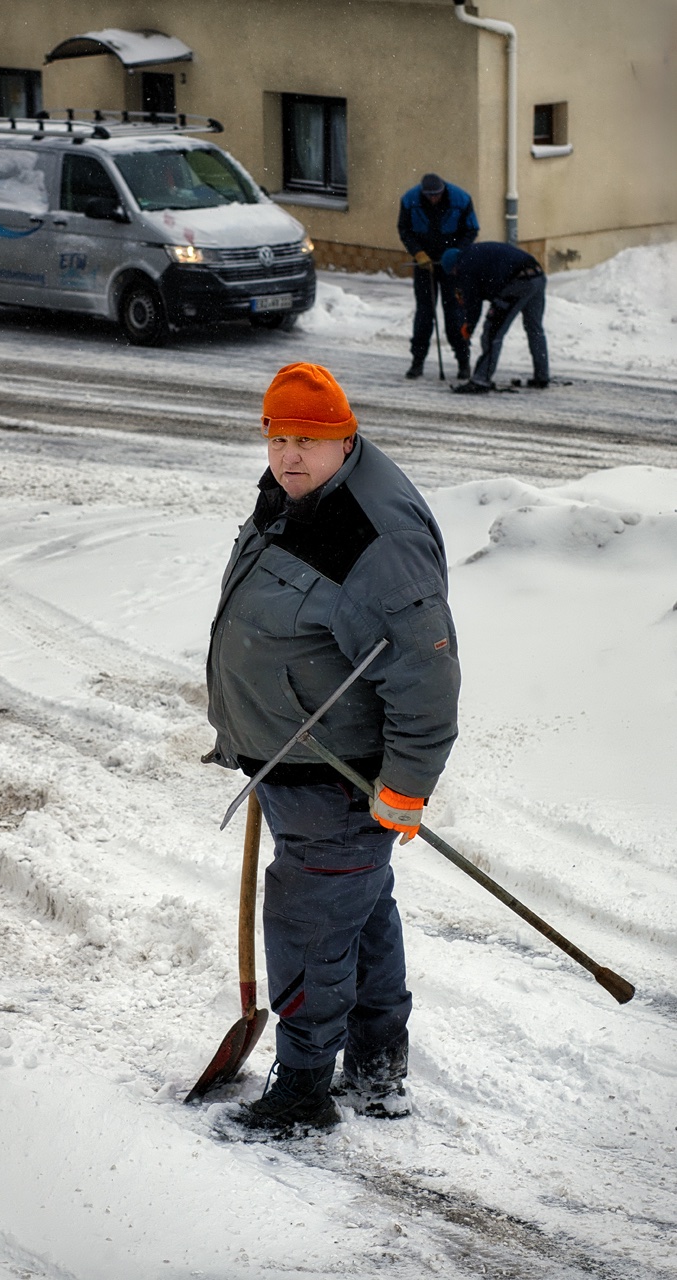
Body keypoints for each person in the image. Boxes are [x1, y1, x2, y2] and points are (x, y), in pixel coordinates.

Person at [205, 362, 460, 1138]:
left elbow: (425, 672)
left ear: (344, 437)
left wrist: (406, 785)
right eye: (278, 437)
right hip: (298, 762)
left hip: (337, 780)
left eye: (307, 440)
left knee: (312, 928)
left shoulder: (372, 537)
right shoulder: (298, 496)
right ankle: (377, 1069)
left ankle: (303, 1095)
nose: (288, 455)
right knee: (359, 912)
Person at [397, 172, 479, 381]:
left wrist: (455, 255)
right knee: (424, 315)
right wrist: (417, 252)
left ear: (443, 190)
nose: (433, 199)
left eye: (437, 195)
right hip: (425, 264)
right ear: (423, 193)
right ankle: (417, 362)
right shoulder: (410, 200)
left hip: (451, 266)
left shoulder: (461, 199)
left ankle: (463, 361)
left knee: (454, 315)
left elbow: (471, 230)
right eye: (429, 196)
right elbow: (404, 229)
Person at [441, 242, 550, 394]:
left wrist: (469, 325)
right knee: (535, 329)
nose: (455, 276)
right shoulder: (473, 253)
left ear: (453, 267)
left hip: (518, 282)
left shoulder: (464, 266)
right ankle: (542, 376)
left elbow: (474, 303)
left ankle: (481, 380)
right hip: (537, 274)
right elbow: (491, 281)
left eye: (453, 273)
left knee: (492, 332)